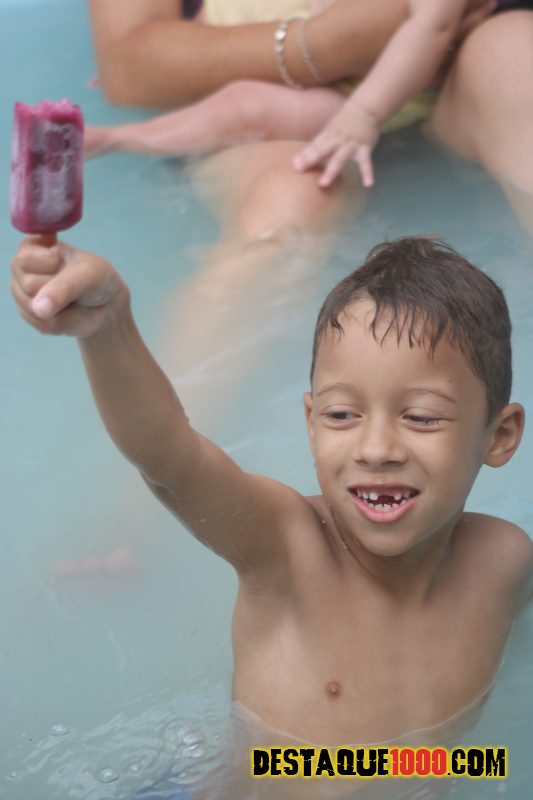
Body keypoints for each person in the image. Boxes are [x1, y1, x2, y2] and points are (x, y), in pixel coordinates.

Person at [10, 235, 532, 793]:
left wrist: (470, 767)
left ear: (499, 436)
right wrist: (107, 329)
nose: (377, 448)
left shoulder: (505, 563)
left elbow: (443, 750)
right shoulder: (287, 548)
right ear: (310, 423)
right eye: (341, 414)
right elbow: (171, 459)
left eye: (422, 417)